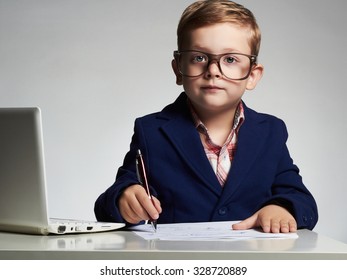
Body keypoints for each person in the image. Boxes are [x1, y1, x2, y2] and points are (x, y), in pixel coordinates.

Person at [94, 0, 318, 233]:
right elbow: (108, 202)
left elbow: (302, 199)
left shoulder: (271, 131)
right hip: (180, 263)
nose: (213, 70)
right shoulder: (151, 131)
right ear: (178, 69)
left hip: (251, 261)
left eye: (230, 59)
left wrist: (283, 207)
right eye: (199, 58)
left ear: (252, 75)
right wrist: (124, 199)